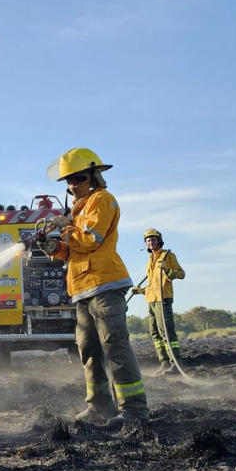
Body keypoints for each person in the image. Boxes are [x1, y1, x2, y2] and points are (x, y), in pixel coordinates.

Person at [40, 148, 149, 427]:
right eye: (68, 181)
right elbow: (74, 251)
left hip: (105, 285)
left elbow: (90, 240)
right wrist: (54, 247)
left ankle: (135, 411)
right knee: (88, 349)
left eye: (77, 178)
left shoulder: (102, 200)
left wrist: (66, 227)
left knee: (115, 347)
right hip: (83, 289)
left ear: (94, 176)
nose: (71, 185)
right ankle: (100, 407)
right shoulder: (78, 209)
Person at [132, 228, 185, 375]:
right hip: (151, 299)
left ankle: (176, 364)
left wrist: (168, 270)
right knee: (155, 333)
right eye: (148, 240)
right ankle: (164, 363)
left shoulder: (168, 255)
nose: (151, 242)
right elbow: (153, 284)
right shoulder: (150, 261)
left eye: (153, 240)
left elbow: (181, 274)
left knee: (166, 332)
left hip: (163, 299)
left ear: (159, 241)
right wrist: (141, 291)